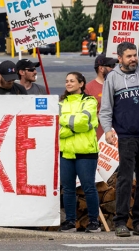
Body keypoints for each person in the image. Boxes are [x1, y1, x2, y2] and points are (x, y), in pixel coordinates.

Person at [100, 41, 139, 237]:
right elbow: (106, 109)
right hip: (125, 137)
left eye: (135, 55)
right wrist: (108, 130)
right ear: (120, 58)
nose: (133, 59)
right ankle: (120, 221)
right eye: (129, 56)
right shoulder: (112, 78)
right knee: (125, 179)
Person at [58, 72, 100, 233]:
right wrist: (73, 126)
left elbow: (85, 122)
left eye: (72, 81)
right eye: (66, 81)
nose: (68, 83)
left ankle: (94, 222)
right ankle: (70, 221)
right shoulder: (61, 103)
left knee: (89, 187)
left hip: (86, 152)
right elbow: (57, 127)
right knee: (68, 189)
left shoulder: (90, 101)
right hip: (66, 152)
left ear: (81, 84)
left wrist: (66, 125)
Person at [84, 54, 117, 139]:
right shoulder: (88, 89)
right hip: (99, 138)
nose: (115, 68)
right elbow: (85, 114)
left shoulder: (119, 85)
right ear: (101, 68)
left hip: (120, 136)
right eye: (111, 66)